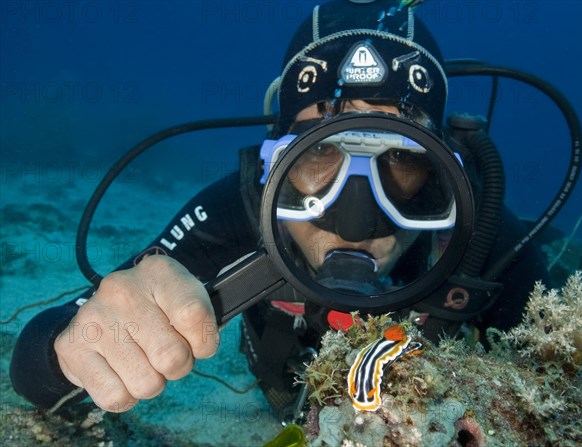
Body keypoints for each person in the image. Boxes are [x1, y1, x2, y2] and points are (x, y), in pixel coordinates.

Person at [10, 0, 551, 418]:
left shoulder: (482, 234)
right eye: (319, 152)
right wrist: (75, 344)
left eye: (404, 159)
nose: (355, 218)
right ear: (275, 163)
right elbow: (33, 368)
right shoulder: (239, 212)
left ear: (443, 172)